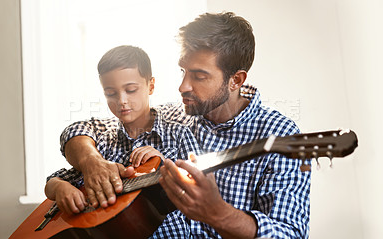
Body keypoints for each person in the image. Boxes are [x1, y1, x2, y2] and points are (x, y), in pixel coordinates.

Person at [58, 12, 311, 238]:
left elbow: (290, 233)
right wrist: (93, 163)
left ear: (236, 80)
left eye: (199, 76)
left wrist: (218, 213)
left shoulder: (280, 134)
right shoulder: (174, 114)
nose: (183, 87)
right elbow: (82, 130)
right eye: (183, 72)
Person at [44, 45, 202, 214]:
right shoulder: (103, 143)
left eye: (131, 90)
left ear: (151, 86)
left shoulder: (179, 133)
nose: (122, 100)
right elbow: (54, 181)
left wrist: (162, 163)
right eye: (111, 93)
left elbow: (199, 191)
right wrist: (60, 187)